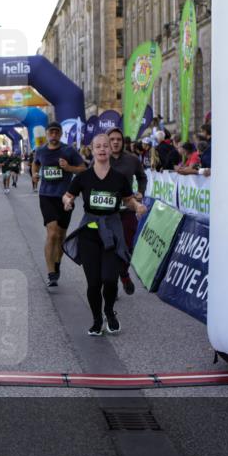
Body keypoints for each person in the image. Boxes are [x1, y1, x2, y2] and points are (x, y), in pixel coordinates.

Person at [62, 132, 148, 335]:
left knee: (109, 279)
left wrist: (137, 206)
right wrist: (68, 201)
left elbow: (128, 200)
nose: (102, 149)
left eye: (105, 146)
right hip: (89, 233)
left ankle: (109, 311)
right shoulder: (83, 177)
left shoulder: (118, 178)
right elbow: (68, 195)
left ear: (110, 149)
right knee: (94, 282)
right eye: (98, 146)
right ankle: (96, 319)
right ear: (92, 150)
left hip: (111, 232)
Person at [32, 122, 86, 287]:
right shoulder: (41, 150)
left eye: (57, 132)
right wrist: (34, 174)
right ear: (47, 134)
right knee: (52, 233)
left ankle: (57, 264)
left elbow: (83, 168)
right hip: (46, 196)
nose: (54, 135)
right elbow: (35, 162)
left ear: (61, 134)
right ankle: (50, 273)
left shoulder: (68, 150)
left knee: (61, 236)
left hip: (65, 197)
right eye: (51, 132)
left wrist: (69, 167)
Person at [107, 128, 146, 295]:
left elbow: (142, 177)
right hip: (108, 213)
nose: (115, 142)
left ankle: (123, 274)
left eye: (118, 139)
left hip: (127, 209)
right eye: (112, 139)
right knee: (110, 248)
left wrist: (141, 192)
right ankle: (113, 284)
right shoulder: (101, 159)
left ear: (122, 142)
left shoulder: (132, 160)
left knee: (126, 247)